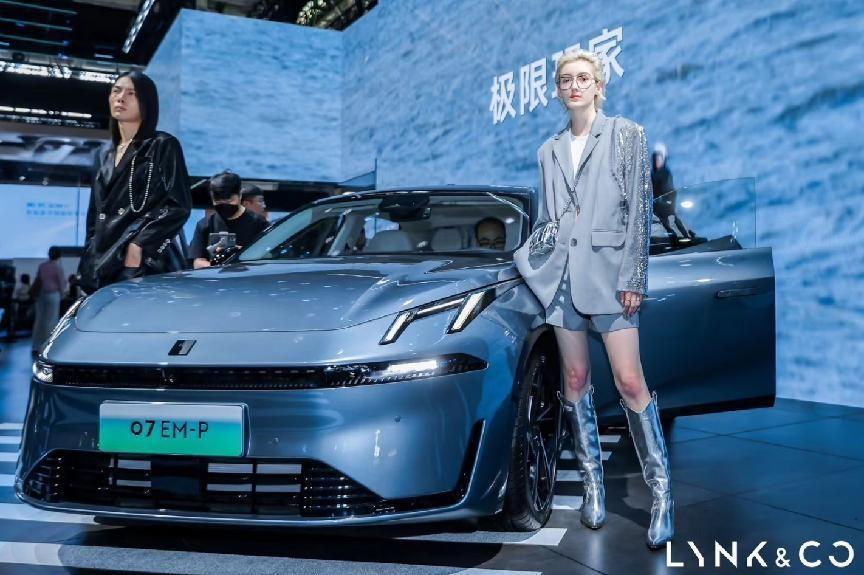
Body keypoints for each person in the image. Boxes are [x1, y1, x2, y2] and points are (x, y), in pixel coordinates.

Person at [516, 50, 674, 549]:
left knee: (630, 381)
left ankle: (661, 494)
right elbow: (548, 221)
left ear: (599, 85)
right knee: (575, 381)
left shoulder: (626, 134)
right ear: (557, 90)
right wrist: (531, 262)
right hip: (563, 280)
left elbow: (639, 213)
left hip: (610, 277)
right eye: (566, 79)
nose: (574, 85)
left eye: (583, 78)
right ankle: (592, 488)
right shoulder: (548, 150)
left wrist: (634, 276)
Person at [77, 71, 191, 294]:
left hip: (141, 263)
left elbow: (178, 206)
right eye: (116, 91)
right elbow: (95, 215)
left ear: (147, 103)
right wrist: (89, 258)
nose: (121, 98)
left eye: (132, 93)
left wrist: (139, 245)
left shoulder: (162, 145)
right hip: (102, 262)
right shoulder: (103, 154)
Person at [189, 172, 268, 269]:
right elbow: (198, 262)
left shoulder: (259, 223)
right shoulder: (205, 224)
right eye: (218, 201)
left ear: (239, 195)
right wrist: (217, 266)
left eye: (229, 200)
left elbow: (267, 256)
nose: (224, 205)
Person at [651, 143, 691, 239]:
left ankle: (686, 237)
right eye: (656, 160)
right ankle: (677, 239)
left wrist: (668, 202)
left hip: (666, 203)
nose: (658, 162)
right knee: (665, 224)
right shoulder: (652, 174)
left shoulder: (666, 173)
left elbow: (669, 189)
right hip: (656, 205)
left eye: (660, 159)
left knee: (673, 220)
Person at [31, 247, 66, 355]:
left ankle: (36, 345)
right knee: (51, 320)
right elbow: (61, 284)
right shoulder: (58, 268)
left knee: (39, 319)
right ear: (59, 256)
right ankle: (48, 345)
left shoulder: (42, 266)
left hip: (41, 295)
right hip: (53, 295)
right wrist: (62, 294)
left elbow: (38, 279)